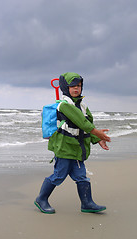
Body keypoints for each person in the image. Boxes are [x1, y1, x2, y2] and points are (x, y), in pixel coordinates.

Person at [34, 72, 111, 214]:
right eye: (72, 86)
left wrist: (97, 139)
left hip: (77, 148)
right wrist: (98, 133)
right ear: (65, 88)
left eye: (79, 86)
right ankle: (41, 199)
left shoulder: (83, 106)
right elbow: (81, 123)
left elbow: (88, 123)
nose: (76, 89)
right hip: (64, 148)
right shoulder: (64, 106)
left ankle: (87, 203)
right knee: (59, 175)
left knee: (81, 176)